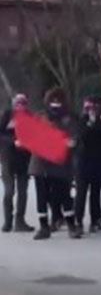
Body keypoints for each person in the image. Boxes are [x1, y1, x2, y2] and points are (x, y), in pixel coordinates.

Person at [30, 88, 80, 240]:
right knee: (42, 196)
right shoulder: (40, 116)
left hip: (60, 162)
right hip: (41, 163)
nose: (56, 104)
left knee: (64, 194)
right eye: (53, 101)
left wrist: (71, 142)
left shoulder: (68, 118)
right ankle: (44, 226)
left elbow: (74, 137)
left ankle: (71, 224)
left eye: (59, 101)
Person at [74, 96, 101, 234]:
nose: (91, 111)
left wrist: (98, 121)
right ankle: (78, 221)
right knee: (81, 193)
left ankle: (95, 221)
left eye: (93, 108)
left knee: (95, 193)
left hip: (97, 161)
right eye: (88, 108)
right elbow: (81, 136)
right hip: (83, 161)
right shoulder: (81, 121)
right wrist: (90, 123)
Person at [0, 94, 33, 233]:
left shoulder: (30, 117)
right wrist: (13, 140)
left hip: (24, 158)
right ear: (14, 104)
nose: (21, 106)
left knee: (23, 191)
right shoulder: (7, 115)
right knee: (9, 191)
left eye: (23, 104)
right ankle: (8, 221)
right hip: (8, 157)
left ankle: (20, 221)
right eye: (18, 104)